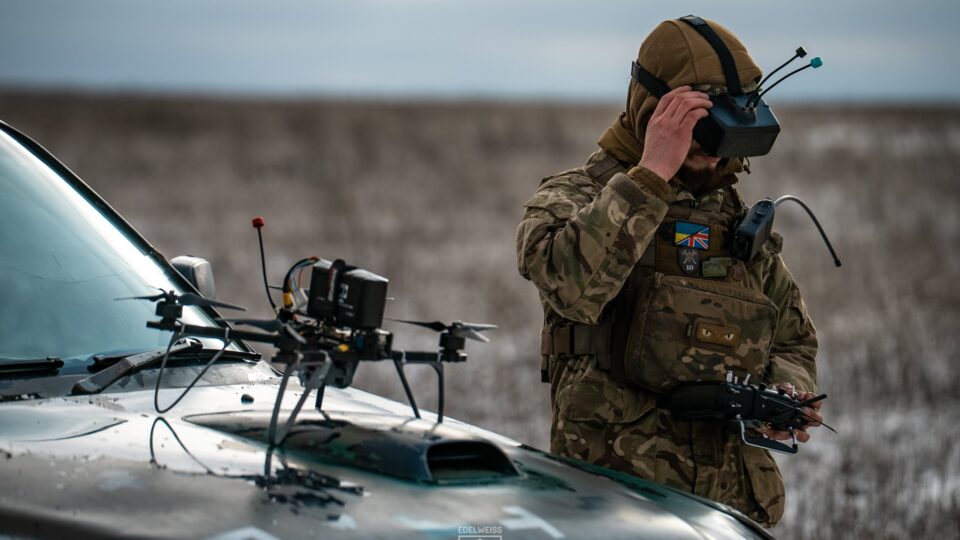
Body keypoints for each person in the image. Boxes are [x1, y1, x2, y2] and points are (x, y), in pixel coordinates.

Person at [515, 16, 824, 527]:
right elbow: (569, 283)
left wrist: (784, 394)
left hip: (724, 510)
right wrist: (651, 173)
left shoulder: (735, 223)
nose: (710, 154)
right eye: (699, 131)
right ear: (652, 112)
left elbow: (792, 338)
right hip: (612, 501)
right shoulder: (576, 196)